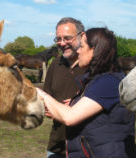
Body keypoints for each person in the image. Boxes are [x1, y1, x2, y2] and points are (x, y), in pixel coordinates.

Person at [38, 27, 136, 158]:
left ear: (95, 50)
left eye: (82, 46)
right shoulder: (101, 80)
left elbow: (70, 117)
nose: (78, 50)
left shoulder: (108, 82)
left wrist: (41, 94)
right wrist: (75, 103)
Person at [43, 17, 86, 158]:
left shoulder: (95, 66)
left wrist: (77, 106)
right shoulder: (55, 64)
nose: (62, 43)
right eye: (58, 39)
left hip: (86, 147)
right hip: (57, 146)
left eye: (67, 38)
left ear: (82, 36)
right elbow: (46, 97)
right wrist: (46, 107)